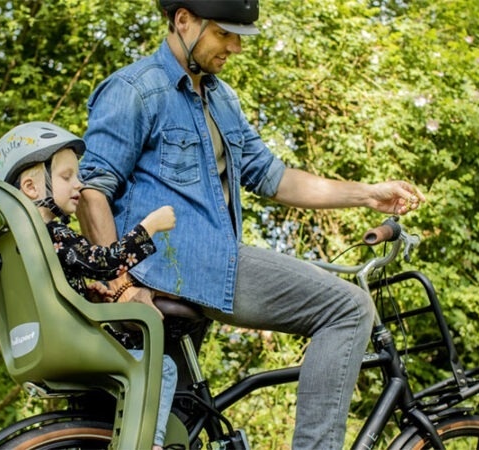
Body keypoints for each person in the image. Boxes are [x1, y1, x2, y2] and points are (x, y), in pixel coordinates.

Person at [77, 1, 427, 449]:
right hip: (178, 264)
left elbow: (273, 177)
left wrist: (367, 193)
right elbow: (92, 192)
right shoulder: (136, 89)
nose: (236, 47)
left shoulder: (221, 99)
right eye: (225, 33)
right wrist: (122, 286)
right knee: (349, 308)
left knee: (177, 432)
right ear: (183, 20)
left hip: (201, 273)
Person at [0, 121, 180, 450]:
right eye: (67, 177)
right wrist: (149, 226)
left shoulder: (21, 245)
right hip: (74, 345)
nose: (79, 184)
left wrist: (84, 294)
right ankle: (151, 444)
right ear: (32, 188)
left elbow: (51, 289)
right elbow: (106, 263)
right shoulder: (56, 235)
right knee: (162, 366)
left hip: (35, 345)